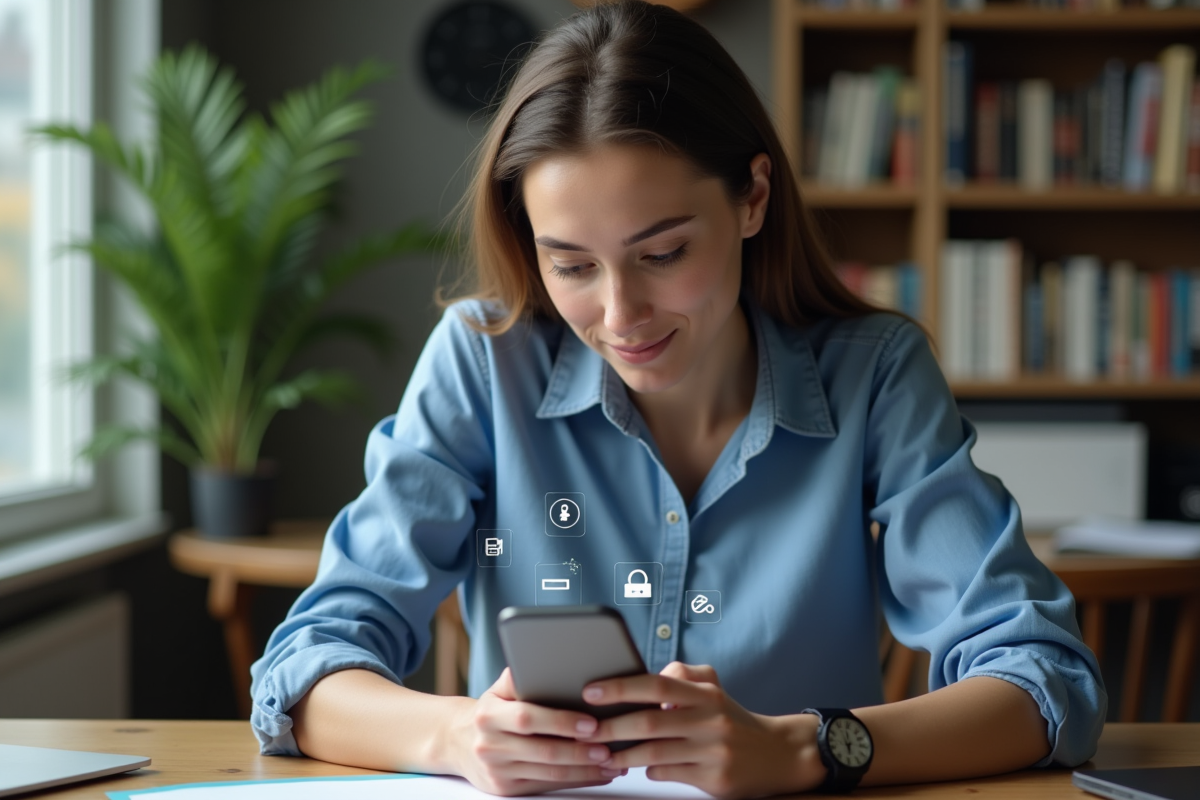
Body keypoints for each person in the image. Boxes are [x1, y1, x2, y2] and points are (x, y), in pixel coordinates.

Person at [249, 2, 1106, 797]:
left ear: (753, 198)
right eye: (572, 264)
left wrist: (806, 748)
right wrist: (458, 736)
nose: (619, 318)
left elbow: (1046, 683)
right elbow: (305, 668)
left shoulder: (875, 374)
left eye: (662, 254)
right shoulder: (484, 362)